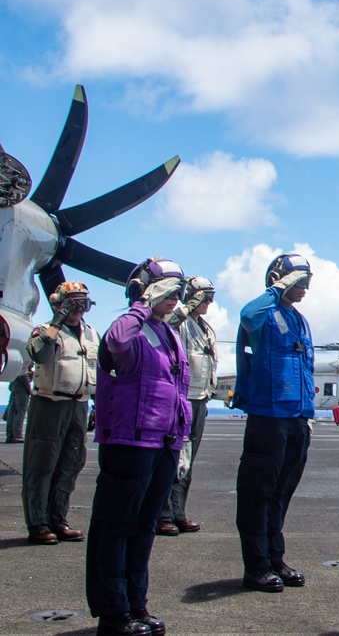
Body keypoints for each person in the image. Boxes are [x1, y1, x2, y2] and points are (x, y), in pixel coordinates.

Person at [87, 259, 191, 636]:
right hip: (129, 441)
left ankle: (135, 603)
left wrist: (181, 443)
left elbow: (178, 391)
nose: (174, 297)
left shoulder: (169, 334)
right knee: (116, 526)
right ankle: (112, 613)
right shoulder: (130, 326)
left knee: (144, 526)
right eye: (166, 289)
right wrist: (140, 303)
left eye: (177, 291)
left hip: (162, 442)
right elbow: (115, 343)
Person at [233, 253, 315, 593]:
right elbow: (248, 314)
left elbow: (306, 367)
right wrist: (277, 287)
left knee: (281, 492)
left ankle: (274, 557)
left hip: (297, 417)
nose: (306, 288)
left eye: (308, 281)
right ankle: (256, 566)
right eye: (300, 281)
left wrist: (308, 414)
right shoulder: (263, 316)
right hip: (268, 417)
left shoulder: (299, 319)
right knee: (258, 493)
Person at [22, 281, 100, 545]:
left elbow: (99, 371)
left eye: (83, 303)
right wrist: (57, 321)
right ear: (58, 303)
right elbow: (39, 355)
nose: (79, 309)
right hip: (49, 405)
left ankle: (58, 519)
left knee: (71, 464)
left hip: (79, 405)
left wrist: (98, 406)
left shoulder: (91, 334)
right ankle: (39, 524)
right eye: (73, 303)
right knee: (42, 466)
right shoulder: (46, 331)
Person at [157, 276, 218, 537]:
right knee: (172, 457)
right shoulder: (180, 323)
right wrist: (185, 307)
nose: (207, 302)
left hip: (200, 399)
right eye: (203, 297)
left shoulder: (205, 328)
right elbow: (166, 326)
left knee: (188, 460)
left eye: (210, 297)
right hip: (181, 399)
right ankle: (163, 514)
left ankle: (179, 512)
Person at [5, 364, 31, 443]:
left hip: (13, 383)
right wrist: (29, 388)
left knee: (12, 411)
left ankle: (10, 435)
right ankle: (17, 435)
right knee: (20, 411)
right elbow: (23, 374)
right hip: (21, 386)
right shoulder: (25, 360)